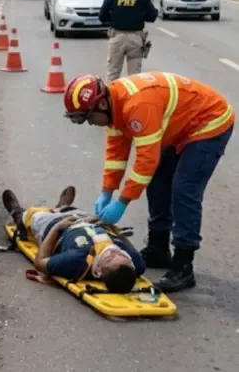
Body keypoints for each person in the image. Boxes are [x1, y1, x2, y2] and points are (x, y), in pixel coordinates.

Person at [63, 73, 234, 292]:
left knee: (183, 190)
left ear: (102, 103)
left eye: (90, 117)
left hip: (208, 122)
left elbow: (146, 162)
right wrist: (106, 192)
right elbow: (116, 154)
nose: (91, 123)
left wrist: (122, 202)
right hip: (179, 126)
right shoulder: (114, 106)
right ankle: (158, 249)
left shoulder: (137, 106)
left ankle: (183, 265)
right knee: (158, 183)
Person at [2, 186, 144, 293]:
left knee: (34, 215)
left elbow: (40, 263)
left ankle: (18, 214)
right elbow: (126, 248)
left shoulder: (76, 261)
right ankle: (62, 207)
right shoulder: (133, 264)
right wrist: (114, 230)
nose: (114, 251)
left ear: (98, 271)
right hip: (87, 221)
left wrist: (57, 228)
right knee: (76, 210)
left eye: (109, 258)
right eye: (120, 253)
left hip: (55, 227)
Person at [98, 0, 157, 81]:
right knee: (135, 78)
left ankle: (111, 98)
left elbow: (102, 17)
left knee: (113, 74)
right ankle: (132, 98)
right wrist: (138, 16)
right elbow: (152, 16)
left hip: (116, 37)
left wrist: (115, 20)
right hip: (136, 38)